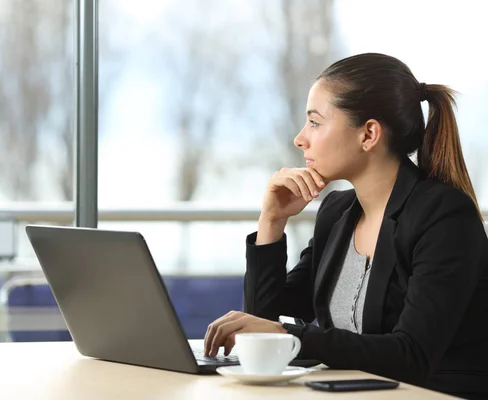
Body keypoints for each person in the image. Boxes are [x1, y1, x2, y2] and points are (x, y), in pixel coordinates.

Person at [203, 53, 488, 399]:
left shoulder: (443, 216)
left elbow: (411, 355)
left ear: (368, 134)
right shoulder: (337, 214)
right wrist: (272, 222)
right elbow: (265, 323)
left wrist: (289, 335)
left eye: (315, 122)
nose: (300, 138)